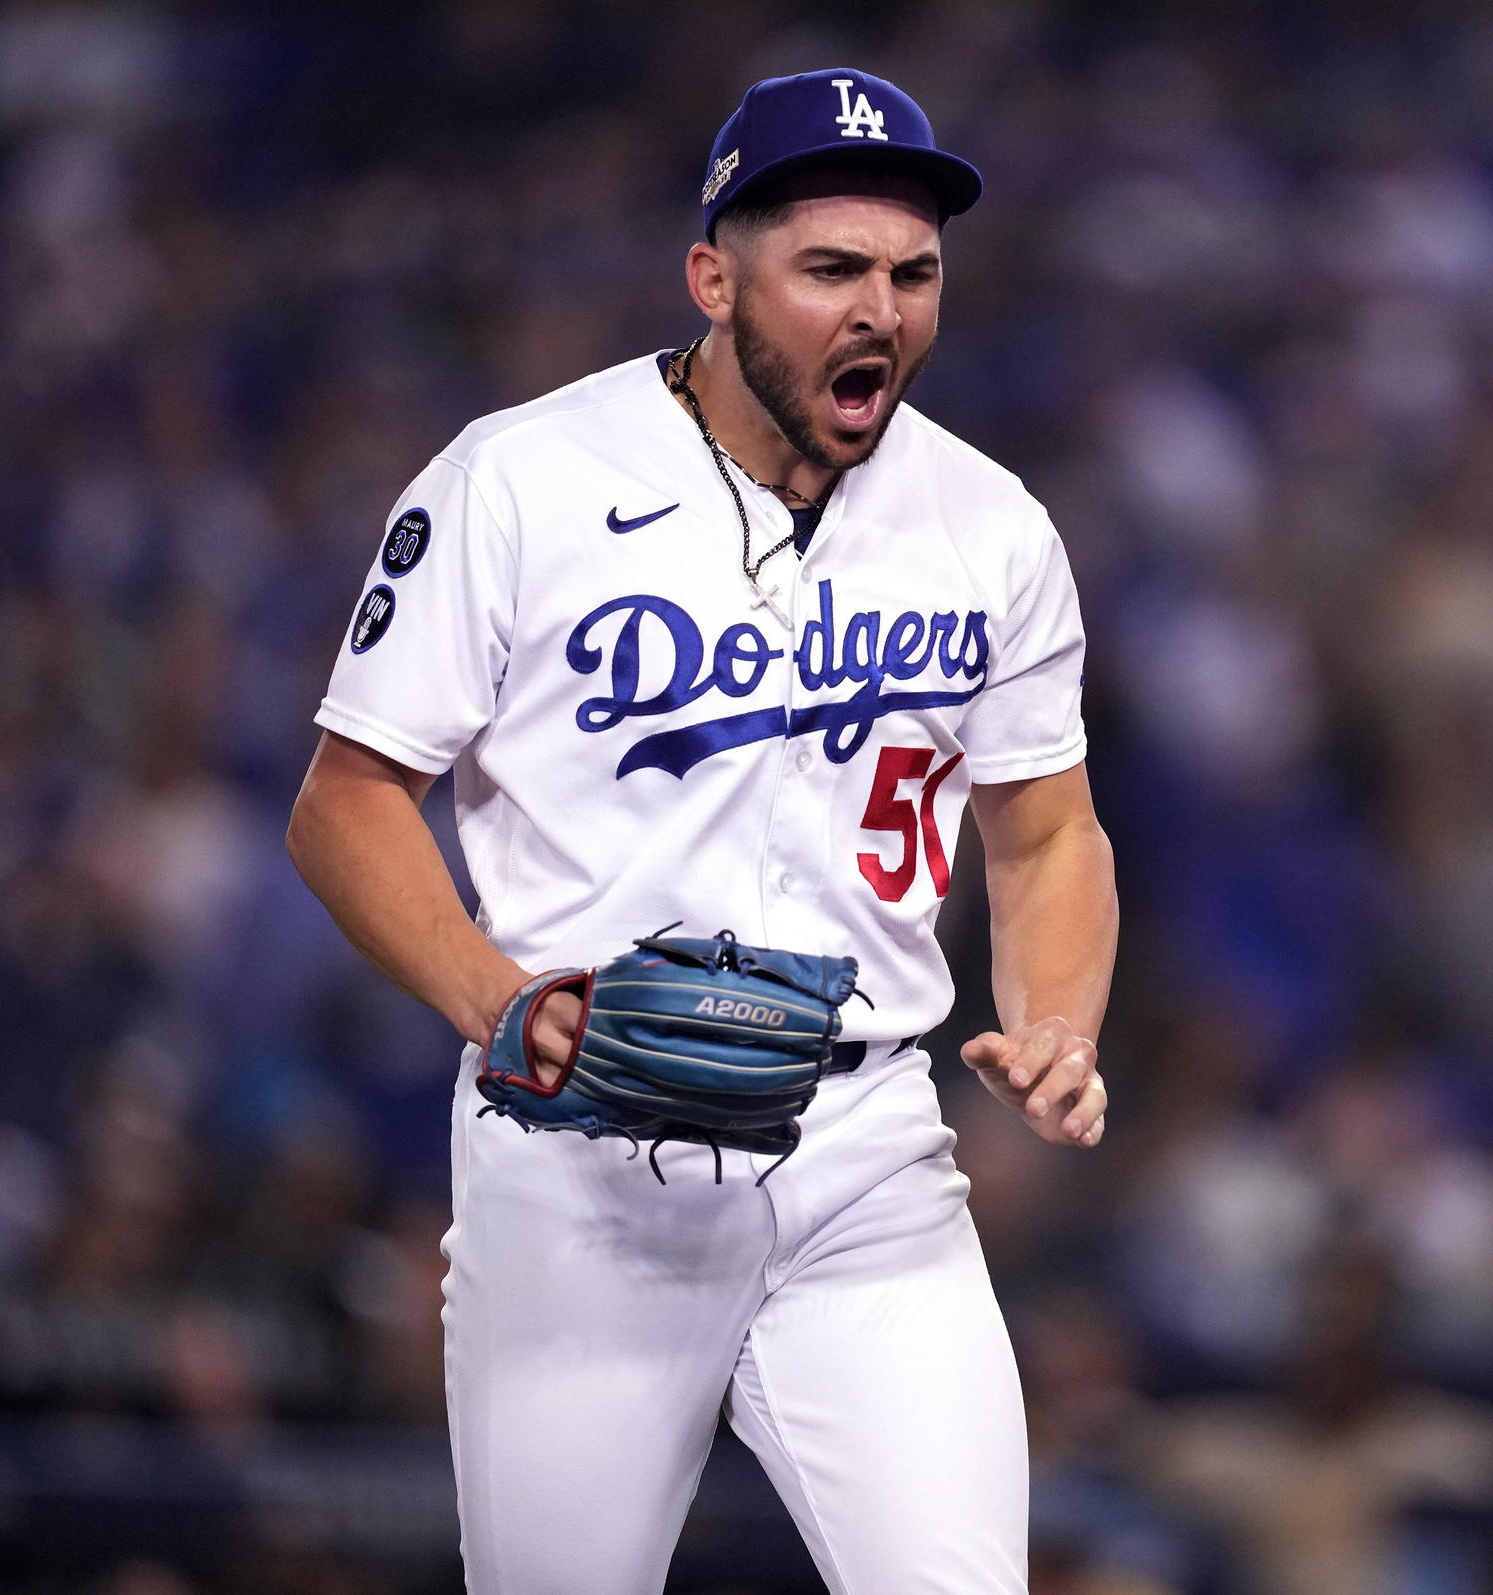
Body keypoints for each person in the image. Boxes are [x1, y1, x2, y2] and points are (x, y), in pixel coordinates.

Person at [284, 67, 1116, 1594]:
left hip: (865, 1151)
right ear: (713, 276)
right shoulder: (521, 479)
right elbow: (345, 803)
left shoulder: (992, 522)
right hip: (585, 1146)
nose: (882, 309)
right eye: (833, 270)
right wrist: (498, 998)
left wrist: (1057, 1017)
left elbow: (1050, 832)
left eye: (913, 273)